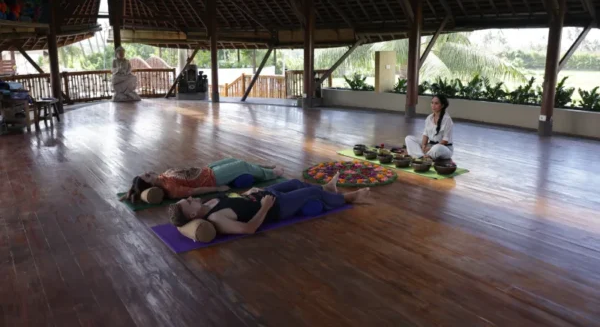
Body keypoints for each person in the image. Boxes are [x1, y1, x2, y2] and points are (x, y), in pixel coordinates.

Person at [168, 173, 370, 235]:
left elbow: (236, 200)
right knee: (311, 191)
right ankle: (348, 198)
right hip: (276, 207)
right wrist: (265, 207)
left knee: (296, 182)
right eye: (188, 202)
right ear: (193, 215)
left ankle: (328, 189)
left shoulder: (208, 202)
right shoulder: (215, 217)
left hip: (264, 195)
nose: (191, 198)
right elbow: (248, 229)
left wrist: (249, 192)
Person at [122, 158, 284, 204]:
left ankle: (263, 167)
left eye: (146, 173)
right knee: (241, 165)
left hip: (207, 169)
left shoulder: (163, 177)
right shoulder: (171, 189)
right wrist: (218, 189)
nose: (149, 172)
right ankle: (272, 174)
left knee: (234, 160)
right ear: (150, 185)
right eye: (147, 176)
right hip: (213, 179)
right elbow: (194, 192)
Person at [405, 94, 454, 161]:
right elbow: (425, 134)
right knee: (409, 138)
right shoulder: (429, 118)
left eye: (436, 103)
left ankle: (422, 156)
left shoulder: (447, 119)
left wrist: (430, 148)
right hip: (430, 145)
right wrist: (423, 146)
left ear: (442, 105)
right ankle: (421, 157)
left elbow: (445, 140)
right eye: (432, 103)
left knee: (437, 148)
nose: (433, 105)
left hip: (444, 148)